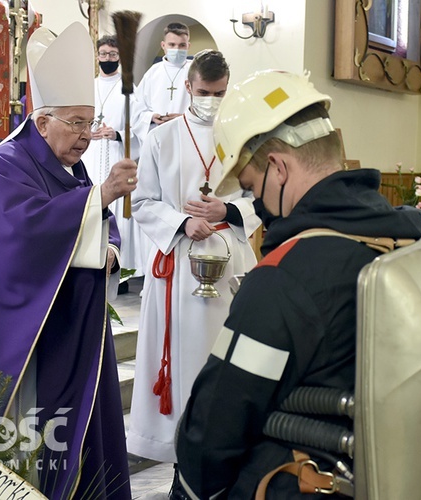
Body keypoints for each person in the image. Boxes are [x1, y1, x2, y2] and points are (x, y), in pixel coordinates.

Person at [170, 70, 421, 499]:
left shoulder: (284, 276)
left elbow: (217, 423)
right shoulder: (408, 235)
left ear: (278, 168)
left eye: (252, 188)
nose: (256, 203)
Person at [0, 23, 135, 499]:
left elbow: (92, 216)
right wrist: (100, 197)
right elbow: (22, 235)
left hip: (70, 332)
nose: (86, 137)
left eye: (90, 124)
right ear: (42, 121)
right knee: (31, 447)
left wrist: (108, 244)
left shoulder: (68, 166)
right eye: (75, 124)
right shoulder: (1, 167)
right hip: (22, 340)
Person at [126, 50, 260, 463]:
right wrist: (181, 224)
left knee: (227, 356)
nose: (211, 100)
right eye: (203, 92)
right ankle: (179, 446)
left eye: (219, 93)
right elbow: (143, 202)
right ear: (188, 87)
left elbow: (262, 197)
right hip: (179, 266)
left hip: (229, 263)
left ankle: (226, 443)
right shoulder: (161, 138)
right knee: (183, 359)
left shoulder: (245, 138)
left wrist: (229, 210)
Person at [82, 34, 152, 279]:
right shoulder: (87, 86)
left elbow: (142, 126)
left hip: (116, 158)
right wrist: (87, 133)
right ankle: (89, 262)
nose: (107, 59)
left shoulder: (129, 89)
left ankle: (120, 271)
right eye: (103, 55)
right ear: (97, 56)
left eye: (113, 55)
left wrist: (119, 134)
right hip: (89, 157)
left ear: (119, 57)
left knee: (118, 213)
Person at [131, 22, 192, 147]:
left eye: (182, 45)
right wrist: (152, 117)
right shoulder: (153, 72)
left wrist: (184, 118)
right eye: (172, 45)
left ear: (188, 46)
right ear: (163, 45)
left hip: (186, 136)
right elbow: (136, 108)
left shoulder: (195, 71)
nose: (177, 49)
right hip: (157, 137)